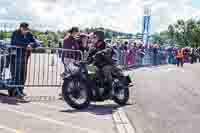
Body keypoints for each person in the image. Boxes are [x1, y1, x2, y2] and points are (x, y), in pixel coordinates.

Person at [89, 30, 123, 97]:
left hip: (109, 64)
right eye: (93, 37)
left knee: (105, 69)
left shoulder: (106, 44)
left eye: (95, 37)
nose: (93, 39)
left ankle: (111, 89)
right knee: (91, 71)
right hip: (99, 65)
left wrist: (101, 52)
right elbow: (90, 54)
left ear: (100, 37)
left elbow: (108, 50)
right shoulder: (94, 46)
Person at [10, 22, 38, 96]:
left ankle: (21, 90)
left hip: (25, 57)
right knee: (16, 74)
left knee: (23, 74)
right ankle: (15, 90)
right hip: (16, 57)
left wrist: (31, 44)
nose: (25, 31)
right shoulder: (15, 33)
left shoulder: (29, 34)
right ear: (20, 28)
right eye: (24, 29)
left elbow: (36, 43)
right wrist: (26, 45)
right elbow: (14, 42)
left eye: (26, 29)